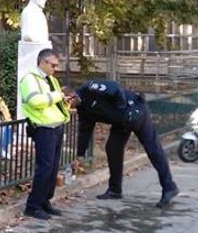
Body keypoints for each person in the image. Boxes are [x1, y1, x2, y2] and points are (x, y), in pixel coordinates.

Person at [65, 80, 180, 208]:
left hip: (135, 110)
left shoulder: (90, 88)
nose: (67, 107)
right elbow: (85, 131)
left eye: (66, 102)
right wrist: (80, 155)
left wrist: (122, 109)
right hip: (121, 122)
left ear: (72, 96)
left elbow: (115, 89)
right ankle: (115, 190)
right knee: (112, 149)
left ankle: (169, 187)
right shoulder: (83, 108)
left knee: (153, 149)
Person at [19, 49, 70, 220]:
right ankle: (32, 205)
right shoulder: (29, 79)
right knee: (45, 167)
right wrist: (57, 95)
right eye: (53, 65)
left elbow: (55, 101)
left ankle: (45, 201)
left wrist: (64, 99)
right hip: (43, 128)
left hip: (56, 126)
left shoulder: (52, 80)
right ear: (43, 62)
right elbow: (35, 101)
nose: (55, 68)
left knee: (53, 167)